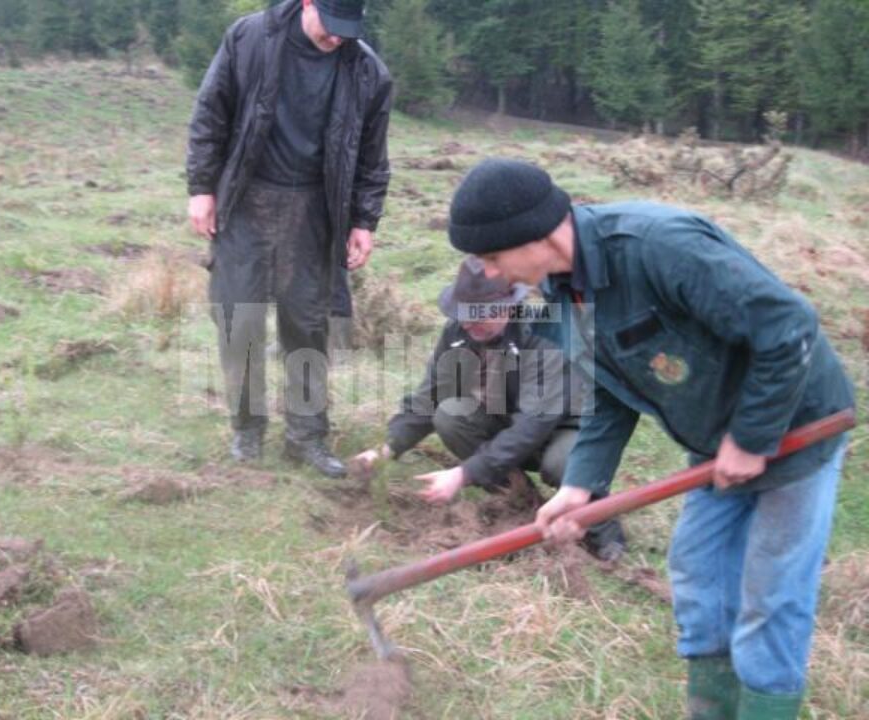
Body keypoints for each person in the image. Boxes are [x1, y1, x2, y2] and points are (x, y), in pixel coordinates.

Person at [445, 158, 855, 719]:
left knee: (771, 595)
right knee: (698, 572)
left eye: (494, 257)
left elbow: (788, 327)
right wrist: (580, 488)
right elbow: (610, 394)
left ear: (536, 234)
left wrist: (753, 436)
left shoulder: (657, 246)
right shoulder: (565, 297)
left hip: (798, 428)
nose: (496, 274)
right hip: (717, 442)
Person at [186, 0, 392, 477]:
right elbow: (210, 114)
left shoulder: (368, 71)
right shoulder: (249, 39)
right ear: (306, 3)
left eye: (349, 28)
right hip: (246, 200)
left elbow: (372, 156)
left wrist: (364, 221)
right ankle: (247, 428)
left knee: (308, 324)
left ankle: (306, 436)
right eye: (331, 25)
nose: (337, 37)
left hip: (316, 211)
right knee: (239, 318)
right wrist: (201, 187)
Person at [351, 258, 627, 561]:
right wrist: (386, 449)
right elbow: (430, 395)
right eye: (463, 314)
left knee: (562, 462)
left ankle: (603, 532)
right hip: (508, 417)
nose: (468, 324)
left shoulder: (547, 334)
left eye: (479, 315)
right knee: (450, 415)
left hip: (563, 426)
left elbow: (531, 427)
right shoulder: (460, 331)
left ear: (509, 305)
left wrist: (463, 474)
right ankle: (521, 504)